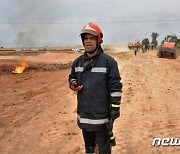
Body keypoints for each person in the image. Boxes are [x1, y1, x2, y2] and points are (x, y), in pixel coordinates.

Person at [68, 22, 123, 154]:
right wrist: (73, 84)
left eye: (91, 38)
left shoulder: (109, 62)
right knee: (89, 150)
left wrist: (115, 109)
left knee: (103, 150)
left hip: (101, 118)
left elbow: (115, 87)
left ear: (98, 40)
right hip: (84, 116)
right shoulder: (77, 62)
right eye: (85, 38)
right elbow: (72, 77)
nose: (88, 41)